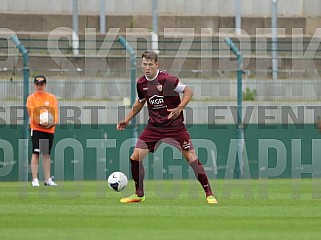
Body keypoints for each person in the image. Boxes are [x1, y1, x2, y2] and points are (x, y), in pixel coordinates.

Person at [117, 51, 217, 204]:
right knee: (135, 158)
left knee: (191, 158)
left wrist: (180, 108)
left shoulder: (168, 80)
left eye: (150, 64)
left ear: (156, 64)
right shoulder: (141, 83)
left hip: (175, 126)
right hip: (154, 127)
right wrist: (127, 119)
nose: (147, 67)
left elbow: (188, 91)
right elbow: (140, 102)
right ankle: (139, 194)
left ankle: (209, 194)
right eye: (145, 64)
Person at [26, 75, 58, 187]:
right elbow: (32, 113)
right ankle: (35, 179)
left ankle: (47, 179)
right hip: (37, 129)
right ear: (35, 85)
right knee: (36, 153)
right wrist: (41, 123)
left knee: (46, 154)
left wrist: (52, 123)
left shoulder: (51, 98)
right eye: (37, 84)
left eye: (42, 84)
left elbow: (55, 113)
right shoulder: (31, 98)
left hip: (49, 130)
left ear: (45, 85)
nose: (40, 86)